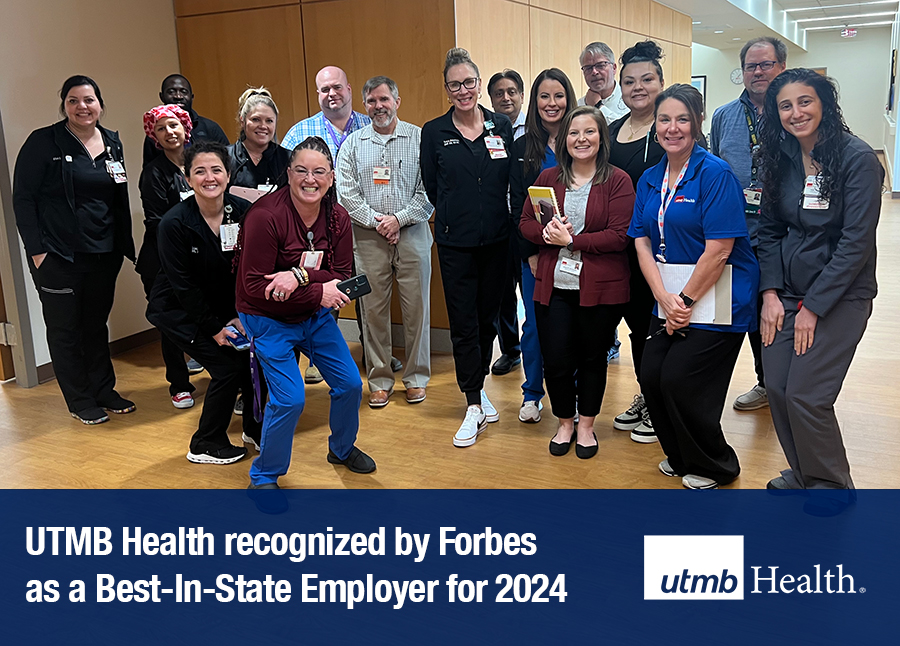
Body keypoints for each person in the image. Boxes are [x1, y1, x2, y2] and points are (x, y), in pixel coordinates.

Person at [757, 69, 881, 504]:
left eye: (805, 101)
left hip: (840, 296)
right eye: (786, 106)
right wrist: (770, 293)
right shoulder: (781, 155)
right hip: (786, 293)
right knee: (777, 387)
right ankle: (804, 471)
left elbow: (855, 243)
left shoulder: (857, 158)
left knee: (808, 395)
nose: (796, 113)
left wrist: (814, 306)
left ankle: (831, 486)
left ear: (825, 103)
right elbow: (768, 230)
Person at [628, 84, 759, 489]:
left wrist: (683, 301)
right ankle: (680, 455)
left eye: (682, 119)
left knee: (682, 378)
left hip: (719, 295)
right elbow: (642, 240)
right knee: (651, 374)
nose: (672, 128)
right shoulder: (650, 178)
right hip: (668, 297)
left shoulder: (715, 173)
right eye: (664, 119)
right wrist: (663, 297)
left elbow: (720, 250)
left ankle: (716, 465)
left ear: (697, 123)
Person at [236, 136, 375, 489]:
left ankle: (341, 449)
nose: (309, 179)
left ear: (330, 177)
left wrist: (296, 276)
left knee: (349, 385)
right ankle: (264, 476)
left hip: (313, 314)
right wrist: (317, 287)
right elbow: (255, 287)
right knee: (290, 399)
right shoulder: (264, 216)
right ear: (288, 173)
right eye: (301, 170)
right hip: (267, 318)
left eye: (318, 172)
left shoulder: (338, 217)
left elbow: (342, 277)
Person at [13, 75, 136, 425]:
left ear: (99, 103)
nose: (82, 107)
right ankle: (80, 399)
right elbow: (23, 199)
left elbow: (115, 198)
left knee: (96, 325)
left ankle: (103, 389)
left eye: (89, 99)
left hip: (103, 253)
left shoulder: (112, 142)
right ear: (64, 105)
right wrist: (38, 252)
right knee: (66, 329)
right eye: (73, 100)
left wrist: (121, 247)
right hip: (57, 255)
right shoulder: (43, 142)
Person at [520, 105, 633, 459]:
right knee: (555, 359)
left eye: (589, 132)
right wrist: (545, 233)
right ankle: (564, 422)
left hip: (601, 288)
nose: (581, 139)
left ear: (602, 137)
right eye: (573, 133)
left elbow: (619, 236)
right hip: (553, 286)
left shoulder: (618, 180)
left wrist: (571, 241)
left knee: (591, 358)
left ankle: (586, 425)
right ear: (563, 139)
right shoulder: (548, 178)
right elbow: (525, 223)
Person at [147, 141, 262, 464]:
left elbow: (249, 269)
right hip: (179, 310)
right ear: (187, 178)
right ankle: (205, 442)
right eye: (199, 171)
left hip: (224, 305)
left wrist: (241, 315)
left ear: (228, 175)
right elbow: (182, 286)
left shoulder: (242, 212)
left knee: (252, 361)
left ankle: (254, 427)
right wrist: (214, 328)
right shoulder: (174, 224)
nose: (209, 177)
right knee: (227, 368)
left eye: (216, 170)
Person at [421, 47, 513, 447]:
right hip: (455, 243)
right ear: (446, 89)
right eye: (455, 84)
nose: (463, 90)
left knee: (487, 318)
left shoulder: (501, 125)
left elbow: (509, 177)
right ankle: (472, 401)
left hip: (497, 239)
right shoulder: (435, 131)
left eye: (469, 82)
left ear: (479, 83)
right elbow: (432, 186)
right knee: (463, 322)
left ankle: (479, 389)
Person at [280, 67, 391, 382]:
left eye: (337, 87)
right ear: (318, 94)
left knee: (367, 292)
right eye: (324, 89)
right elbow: (287, 182)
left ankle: (376, 354)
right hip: (320, 231)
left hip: (369, 224)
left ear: (349, 89)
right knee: (325, 290)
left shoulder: (371, 126)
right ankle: (317, 359)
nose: (332, 94)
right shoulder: (300, 133)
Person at [336, 76, 433, 408]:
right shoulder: (352, 144)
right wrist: (378, 222)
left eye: (384, 100)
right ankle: (379, 379)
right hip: (367, 237)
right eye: (372, 101)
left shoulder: (420, 139)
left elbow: (431, 190)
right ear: (365, 105)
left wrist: (398, 220)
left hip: (413, 232)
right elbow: (346, 193)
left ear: (397, 101)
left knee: (417, 309)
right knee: (372, 310)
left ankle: (416, 377)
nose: (379, 107)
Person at [710, 36, 788, 413]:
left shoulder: (793, 112)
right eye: (751, 66)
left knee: (772, 315)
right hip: (732, 237)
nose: (758, 72)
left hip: (781, 237)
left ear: (781, 68)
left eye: (766, 64)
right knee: (731, 313)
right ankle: (754, 383)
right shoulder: (724, 117)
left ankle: (775, 385)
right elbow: (712, 172)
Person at [605, 40, 668, 444]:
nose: (638, 87)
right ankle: (647, 395)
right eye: (629, 81)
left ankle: (660, 403)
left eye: (647, 79)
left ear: (661, 81)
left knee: (657, 329)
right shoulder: (611, 130)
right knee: (634, 327)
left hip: (661, 250)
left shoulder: (670, 127)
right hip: (617, 250)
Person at [508, 67, 578, 423]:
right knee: (535, 325)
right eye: (544, 96)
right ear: (534, 102)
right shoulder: (523, 147)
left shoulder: (582, 139)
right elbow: (517, 203)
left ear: (569, 98)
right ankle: (533, 393)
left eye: (559, 95)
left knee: (573, 326)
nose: (552, 103)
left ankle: (575, 393)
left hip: (577, 250)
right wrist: (531, 253)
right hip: (537, 253)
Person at [138, 104, 198, 410]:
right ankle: (179, 383)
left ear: (185, 127)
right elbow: (157, 222)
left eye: (173, 125)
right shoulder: (154, 173)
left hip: (200, 258)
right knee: (171, 321)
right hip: (164, 260)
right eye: (160, 128)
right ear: (154, 136)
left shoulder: (198, 164)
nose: (168, 132)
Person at [488, 69, 526, 376]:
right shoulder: (488, 130)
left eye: (512, 91)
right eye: (499, 93)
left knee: (530, 289)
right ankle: (511, 349)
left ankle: (536, 344)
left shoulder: (534, 129)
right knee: (502, 292)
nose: (506, 98)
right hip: (498, 222)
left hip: (526, 221)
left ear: (521, 96)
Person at [142, 74, 229, 167]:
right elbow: (149, 170)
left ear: (192, 97)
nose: (178, 96)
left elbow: (228, 161)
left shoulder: (210, 127)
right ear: (162, 97)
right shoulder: (156, 135)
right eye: (171, 92)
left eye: (183, 92)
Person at [227, 87, 290, 191]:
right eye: (256, 119)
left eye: (269, 121)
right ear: (242, 121)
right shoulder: (225, 158)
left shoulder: (288, 159)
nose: (263, 126)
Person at [578, 41, 628, 122]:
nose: (594, 72)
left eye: (600, 65)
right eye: (588, 68)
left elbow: (624, 129)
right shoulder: (578, 106)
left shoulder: (629, 100)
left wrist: (598, 106)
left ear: (614, 68)